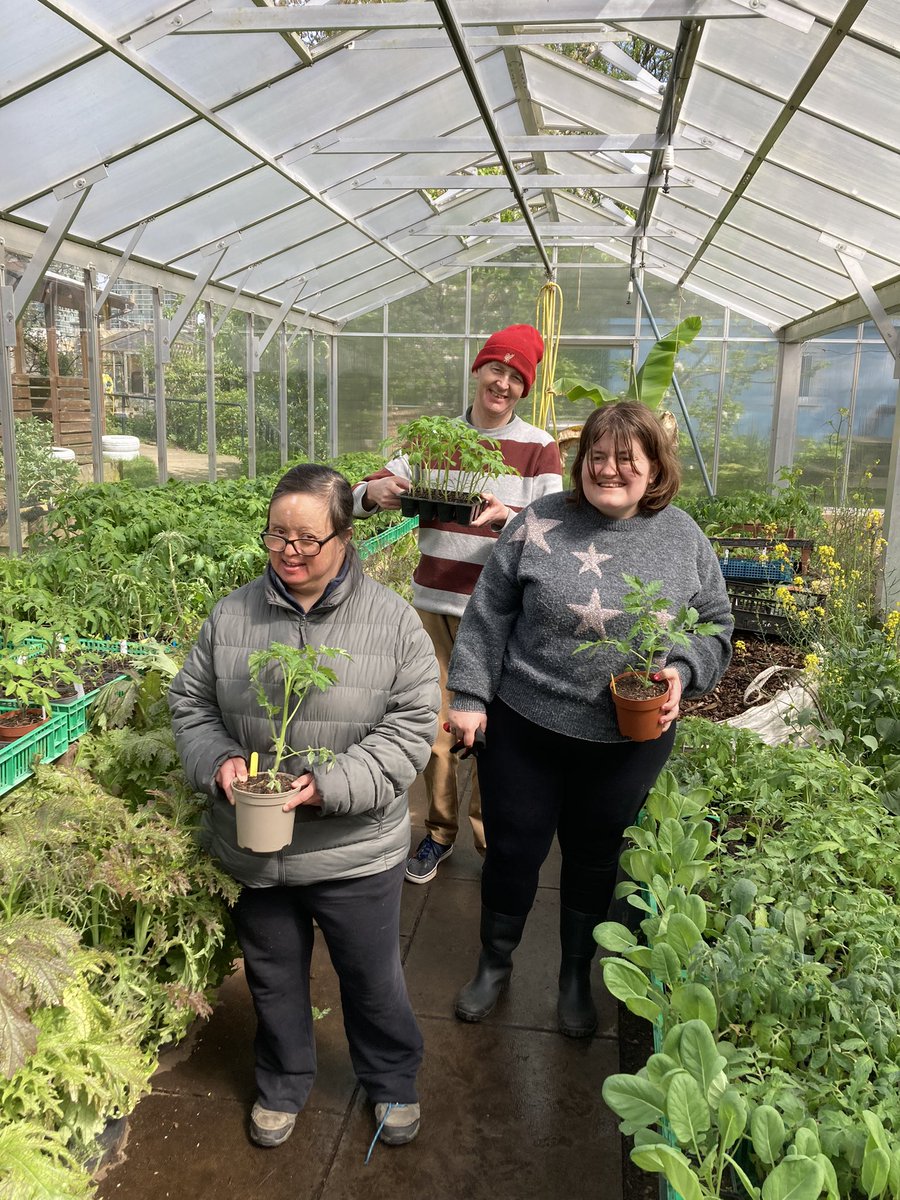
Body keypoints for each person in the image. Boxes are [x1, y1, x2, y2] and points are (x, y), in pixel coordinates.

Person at [168, 464, 440, 1151]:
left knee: (371, 977)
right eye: (276, 537)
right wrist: (218, 761)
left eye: (307, 539)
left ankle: (392, 1079)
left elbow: (410, 730)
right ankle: (283, 1080)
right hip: (254, 846)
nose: (289, 552)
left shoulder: (393, 623)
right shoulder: (233, 616)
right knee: (272, 975)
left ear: (344, 538)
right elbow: (192, 703)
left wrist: (326, 785)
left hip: (352, 848)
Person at [445, 401, 733, 1038]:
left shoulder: (683, 536)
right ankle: (496, 961)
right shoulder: (539, 521)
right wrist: (467, 694)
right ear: (580, 465)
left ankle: (575, 973)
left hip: (626, 738)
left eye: (627, 459)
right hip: (524, 725)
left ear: (654, 468)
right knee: (513, 850)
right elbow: (488, 613)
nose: (609, 470)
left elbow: (716, 623)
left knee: (594, 855)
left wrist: (683, 671)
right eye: (597, 457)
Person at [353, 324, 563, 883]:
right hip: (434, 605)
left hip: (504, 615)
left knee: (498, 732)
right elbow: (370, 489)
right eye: (497, 369)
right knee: (435, 727)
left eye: (517, 376)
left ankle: (491, 835)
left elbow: (560, 534)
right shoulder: (433, 437)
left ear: (526, 387)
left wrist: (508, 518)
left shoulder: (540, 448)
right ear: (479, 371)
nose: (504, 382)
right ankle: (439, 832)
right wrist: (371, 493)